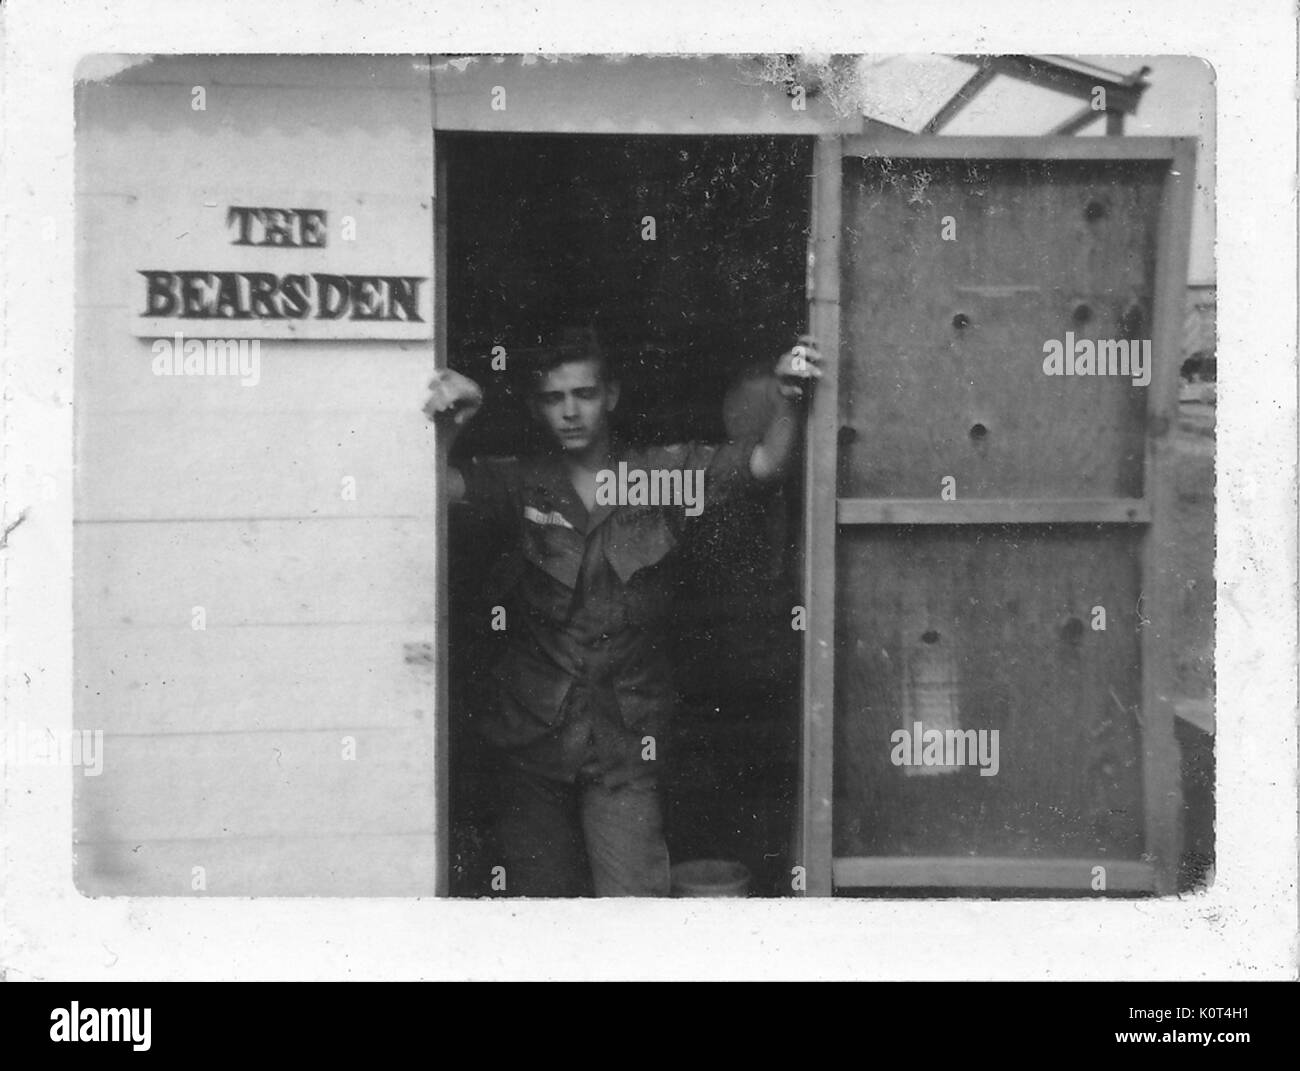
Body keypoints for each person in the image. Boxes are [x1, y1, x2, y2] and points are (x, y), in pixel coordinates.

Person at [424, 330, 822, 896]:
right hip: (530, 742)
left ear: (610, 395)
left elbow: (765, 463)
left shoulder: (660, 476)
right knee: (540, 914)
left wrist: (788, 396)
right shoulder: (519, 481)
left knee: (636, 907)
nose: (569, 411)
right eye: (553, 399)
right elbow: (432, 487)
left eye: (583, 394)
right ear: (537, 407)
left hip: (624, 743)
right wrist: (451, 426)